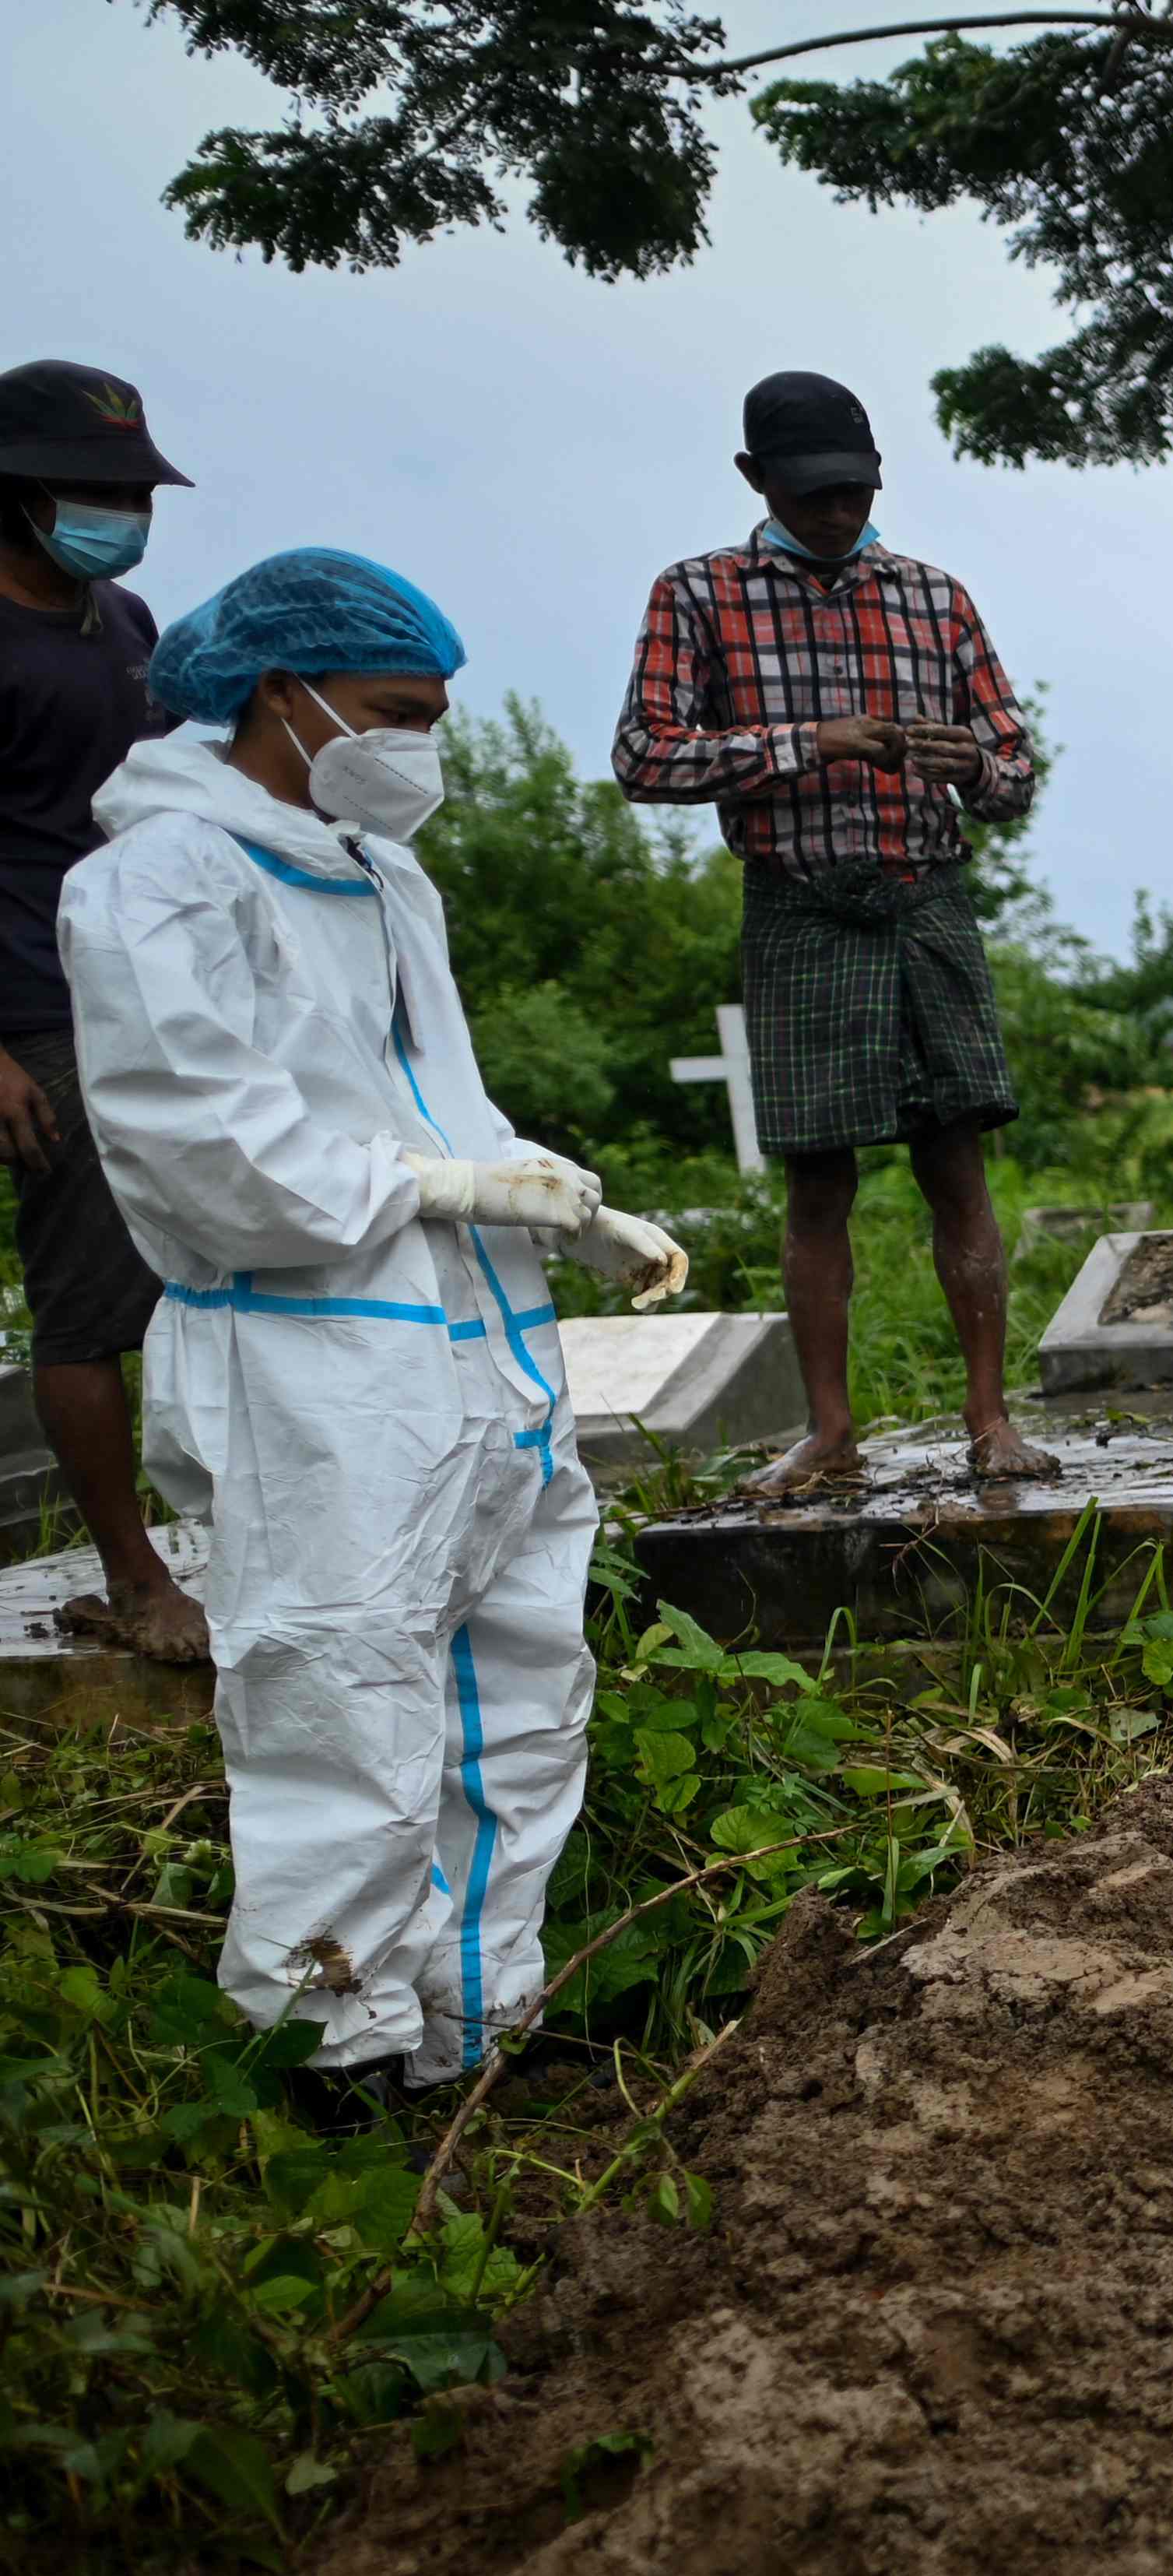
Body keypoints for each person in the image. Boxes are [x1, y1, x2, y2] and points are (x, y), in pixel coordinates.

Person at [61, 551, 686, 2089]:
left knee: (516, 1703)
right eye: (400, 712)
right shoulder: (156, 881)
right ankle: (336, 2061)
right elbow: (202, 1155)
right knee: (341, 1713)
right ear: (288, 693)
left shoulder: (384, 871)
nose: (423, 743)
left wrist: (555, 1199)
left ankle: (475, 2032)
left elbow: (428, 1100)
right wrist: (447, 1186)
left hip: (480, 1352)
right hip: (313, 1364)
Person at [613, 369, 1047, 1492]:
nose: (840, 513)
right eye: (814, 495)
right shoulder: (701, 594)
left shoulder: (934, 596)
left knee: (958, 1167)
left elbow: (1013, 771)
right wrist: (808, 742)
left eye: (857, 490)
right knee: (819, 1182)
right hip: (801, 906)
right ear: (757, 480)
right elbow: (644, 755)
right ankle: (830, 1431)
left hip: (927, 900)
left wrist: (978, 766)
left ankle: (992, 1420)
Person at [0, 360, 207, 1668]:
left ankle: (203, 1540)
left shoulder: (123, 617)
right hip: (33, 1006)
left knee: (199, 1269)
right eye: (96, 490)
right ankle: (133, 1579)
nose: (123, 510)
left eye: (136, 490)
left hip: (148, 987)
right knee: (85, 1302)